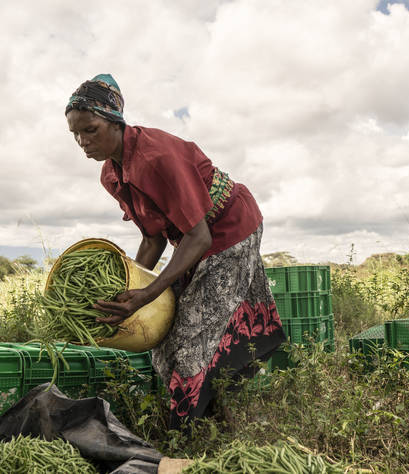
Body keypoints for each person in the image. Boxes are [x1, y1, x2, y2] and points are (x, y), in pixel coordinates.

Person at [65, 73, 286, 431]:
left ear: (115, 122)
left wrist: (148, 293)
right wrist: (126, 289)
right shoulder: (111, 174)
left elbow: (198, 237)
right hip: (190, 238)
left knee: (190, 337)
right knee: (162, 339)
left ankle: (185, 436)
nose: (82, 141)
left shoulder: (156, 158)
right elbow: (152, 239)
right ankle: (212, 418)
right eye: (75, 133)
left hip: (228, 227)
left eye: (90, 129)